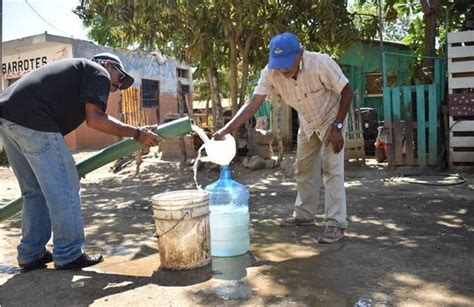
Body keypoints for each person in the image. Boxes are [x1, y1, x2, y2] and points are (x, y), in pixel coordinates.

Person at [0, 53, 161, 270]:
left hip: (8, 117)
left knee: (34, 191)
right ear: (110, 66)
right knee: (65, 186)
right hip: (35, 119)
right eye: (119, 79)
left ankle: (31, 253)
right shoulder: (98, 72)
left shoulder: (74, 74)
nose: (116, 88)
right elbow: (95, 119)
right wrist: (136, 133)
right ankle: (68, 253)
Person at [214, 32, 353, 243]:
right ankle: (304, 216)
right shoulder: (270, 72)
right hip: (308, 122)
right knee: (304, 169)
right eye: (279, 64)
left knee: (332, 171)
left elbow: (348, 92)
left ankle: (335, 224)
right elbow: (253, 105)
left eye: (287, 63)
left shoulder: (320, 63)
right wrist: (226, 129)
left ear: (299, 54)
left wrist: (338, 126)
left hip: (332, 120)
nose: (283, 70)